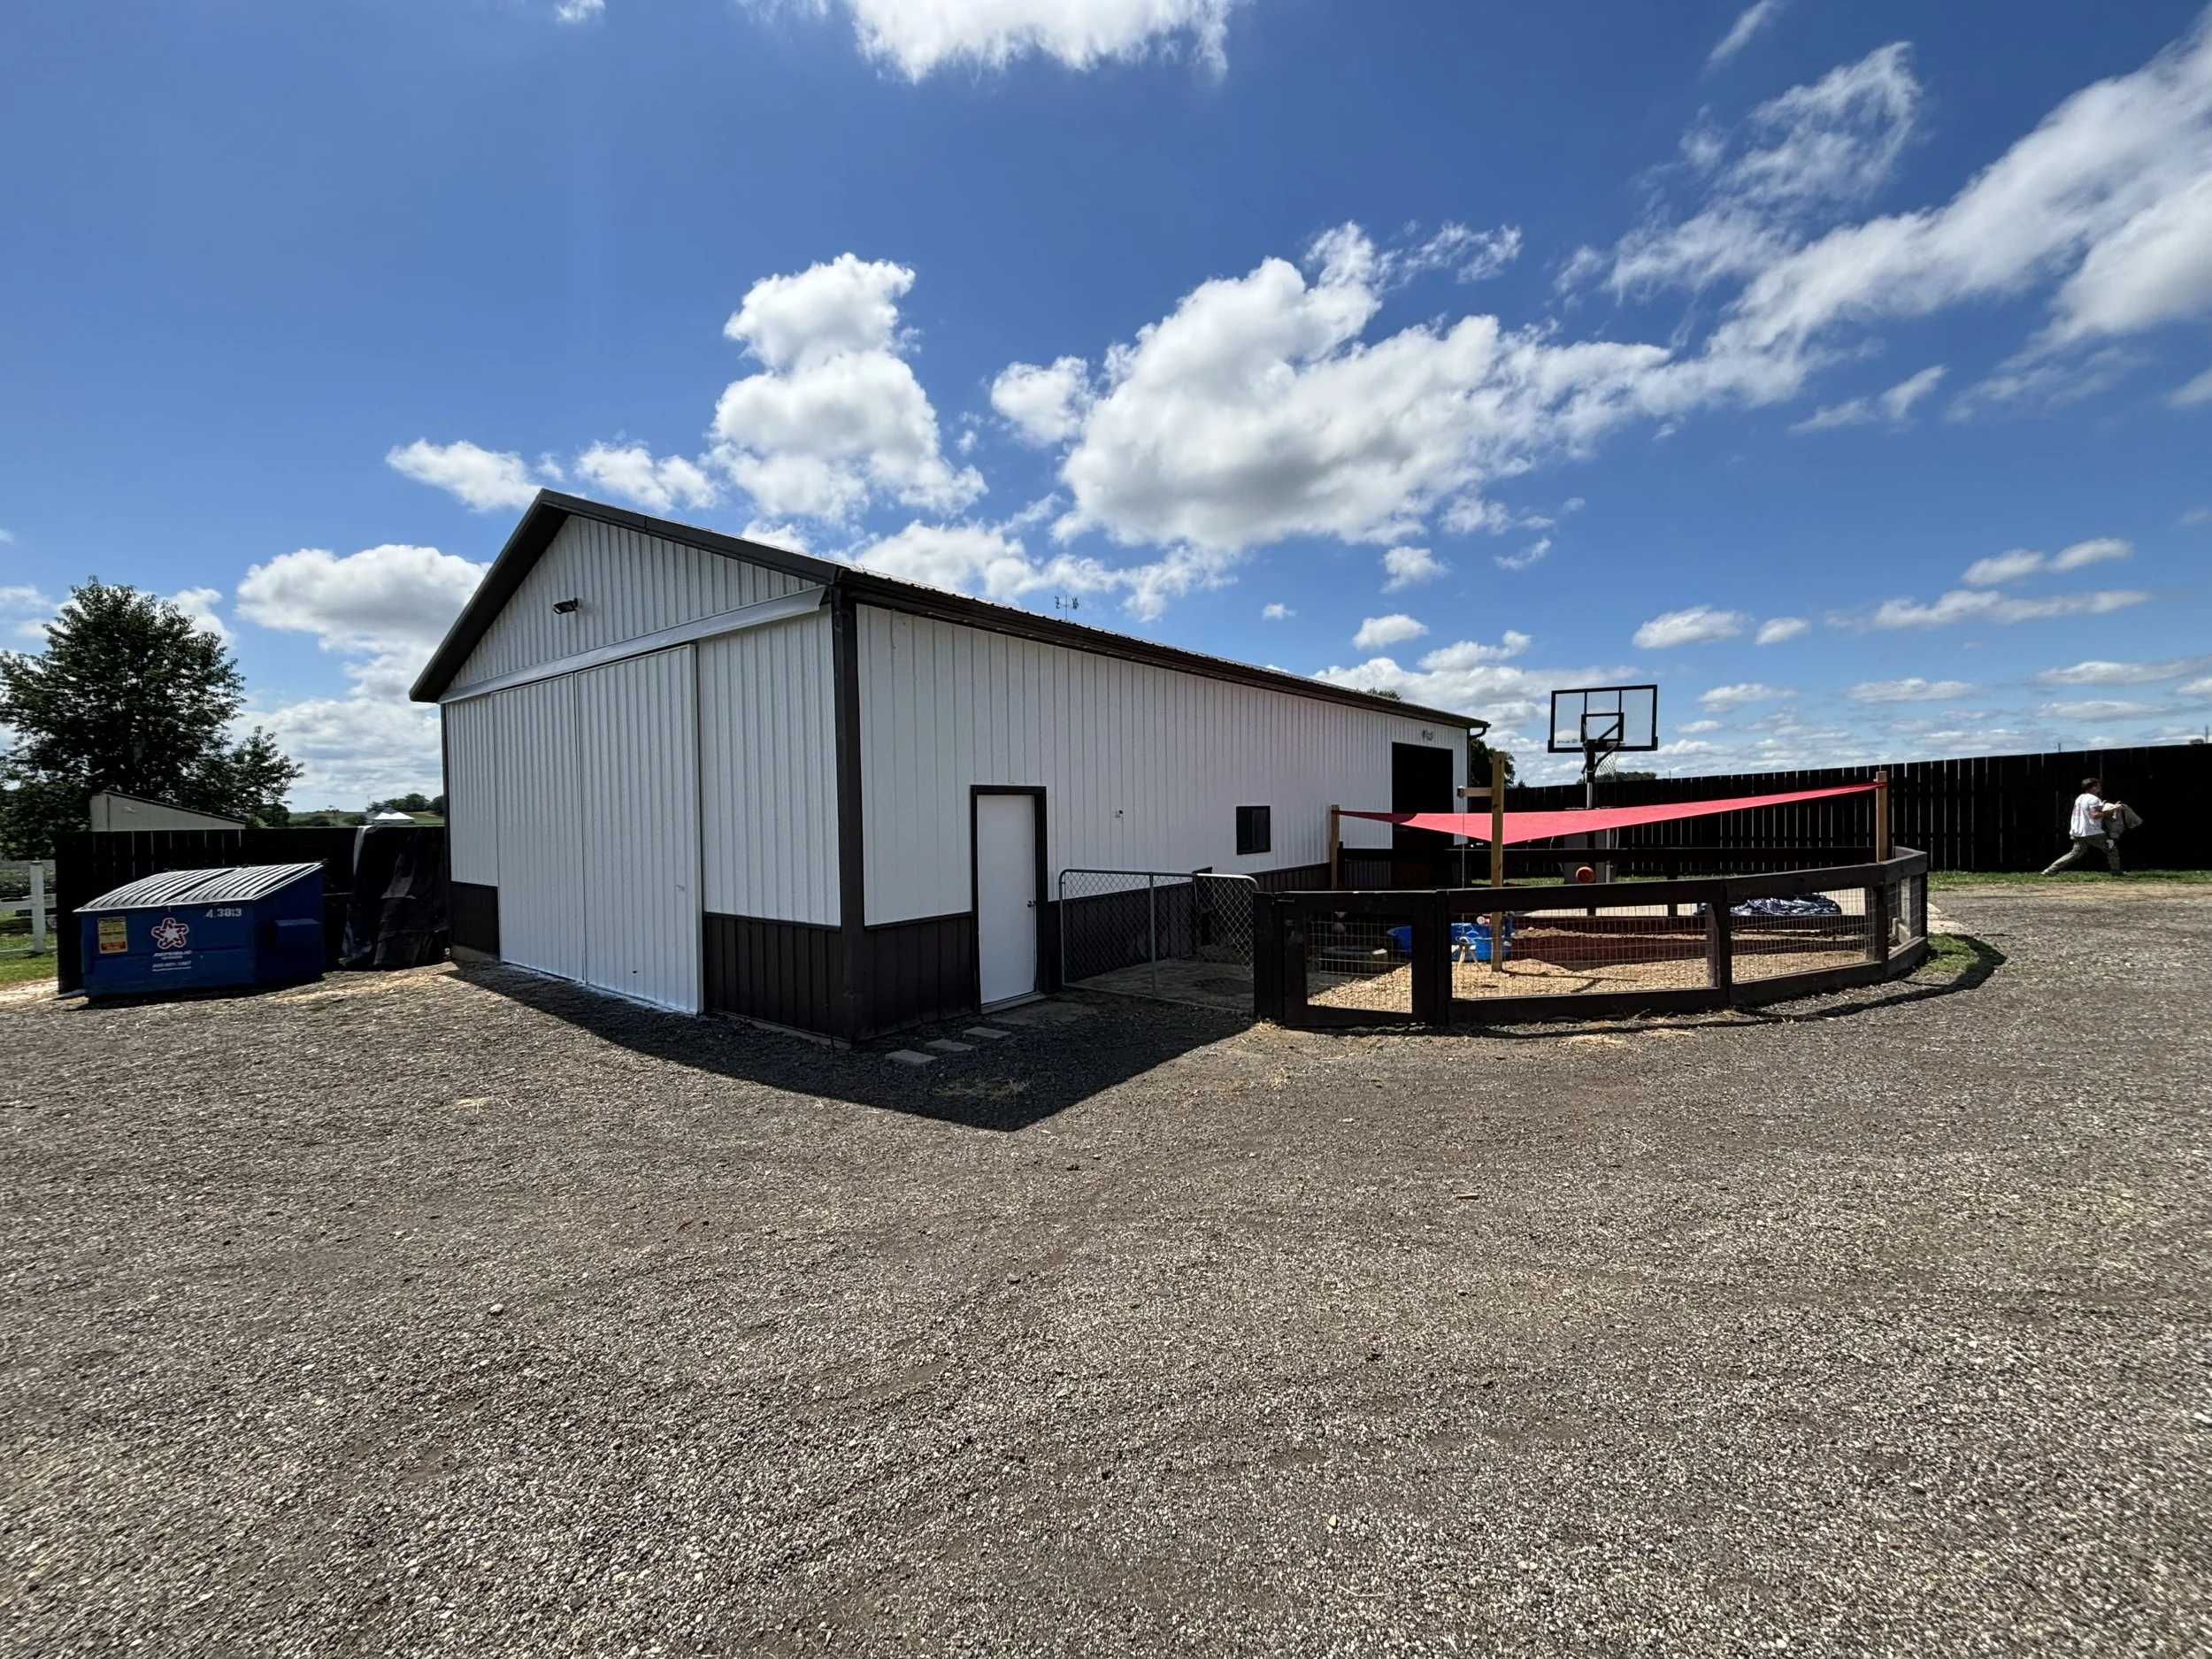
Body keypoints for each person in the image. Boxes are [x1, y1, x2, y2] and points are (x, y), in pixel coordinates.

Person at [2043, 776, 2126, 874]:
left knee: (2074, 853)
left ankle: (2050, 870)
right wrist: (2113, 810)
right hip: (2092, 832)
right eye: (2098, 786)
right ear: (2092, 787)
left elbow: (2089, 811)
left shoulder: (2080, 798)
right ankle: (2117, 871)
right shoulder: (2094, 799)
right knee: (2111, 849)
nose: (2099, 788)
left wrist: (2107, 806)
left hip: (2078, 831)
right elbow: (2095, 815)